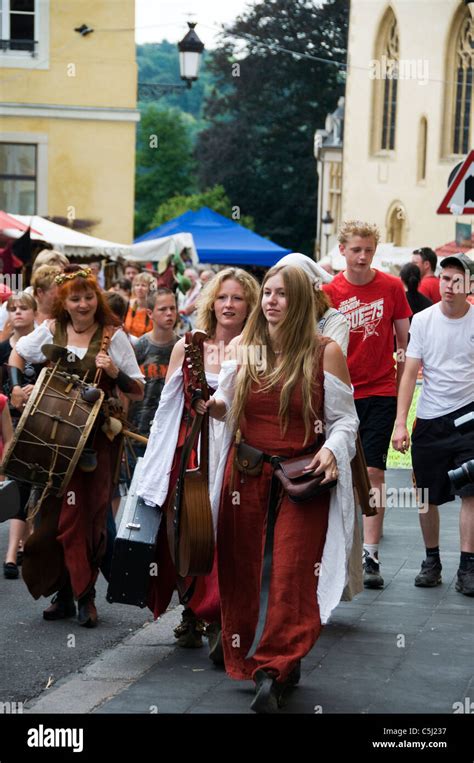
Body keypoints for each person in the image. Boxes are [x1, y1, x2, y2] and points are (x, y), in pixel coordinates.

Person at [195, 265, 358, 713]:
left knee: (290, 573)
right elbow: (228, 404)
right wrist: (213, 407)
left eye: (282, 294)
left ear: (302, 300)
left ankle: (277, 666)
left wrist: (333, 449)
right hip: (245, 475)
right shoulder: (246, 348)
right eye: (266, 292)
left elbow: (346, 419)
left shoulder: (324, 352)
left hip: (302, 479)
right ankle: (245, 648)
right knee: (241, 569)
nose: (270, 301)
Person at [8, 265, 144, 627]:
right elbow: (17, 354)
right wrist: (17, 388)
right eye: (75, 298)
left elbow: (138, 389)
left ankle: (85, 597)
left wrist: (115, 372)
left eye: (87, 297)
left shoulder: (112, 336)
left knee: (89, 518)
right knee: (56, 518)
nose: (82, 304)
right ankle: (66, 594)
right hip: (56, 442)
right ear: (63, 302)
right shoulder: (51, 330)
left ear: (95, 298)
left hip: (97, 443)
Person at [137, 268, 259, 653]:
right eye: (222, 297)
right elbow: (167, 410)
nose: (229, 305)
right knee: (186, 532)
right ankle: (191, 609)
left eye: (238, 298)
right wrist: (156, 464)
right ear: (211, 302)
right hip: (190, 449)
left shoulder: (256, 349)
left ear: (249, 305)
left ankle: (219, 612)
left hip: (237, 451)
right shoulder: (187, 346)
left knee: (225, 531)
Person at [323, 221, 411, 589]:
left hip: (378, 392)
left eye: (369, 250)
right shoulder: (329, 292)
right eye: (356, 249)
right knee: (333, 473)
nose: (362, 256)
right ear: (342, 249)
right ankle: (332, 553)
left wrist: (401, 400)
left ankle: (371, 554)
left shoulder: (391, 287)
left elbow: (406, 344)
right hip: (339, 392)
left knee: (375, 473)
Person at [392, 253, 474, 596]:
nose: (449, 286)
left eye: (457, 280)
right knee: (426, 496)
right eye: (445, 278)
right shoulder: (423, 320)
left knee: (471, 494)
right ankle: (432, 561)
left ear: (469, 285)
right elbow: (410, 372)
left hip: (468, 418)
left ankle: (468, 566)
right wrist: (401, 423)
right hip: (429, 418)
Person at [0, 292, 40, 579]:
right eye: (12, 309)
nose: (17, 313)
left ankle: (30, 543)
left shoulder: (42, 346)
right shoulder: (3, 348)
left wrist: (34, 389)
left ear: (34, 312)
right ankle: (12, 552)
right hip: (9, 420)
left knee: (35, 485)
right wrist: (10, 392)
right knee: (17, 485)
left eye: (23, 308)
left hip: (38, 423)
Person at [127, 288, 179, 457]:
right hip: (137, 429)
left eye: (172, 308)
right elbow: (128, 389)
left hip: (169, 430)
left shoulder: (183, 347)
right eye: (163, 309)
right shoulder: (140, 346)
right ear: (150, 313)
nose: (169, 314)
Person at [276, 252, 349, 354]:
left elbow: (331, 361)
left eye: (283, 292)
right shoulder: (272, 316)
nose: (273, 299)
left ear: (309, 290)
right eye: (268, 292)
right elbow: (254, 365)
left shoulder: (333, 319)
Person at [124, 272, 156, 338]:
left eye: (143, 285)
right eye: (137, 285)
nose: (139, 288)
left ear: (150, 289)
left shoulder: (154, 309)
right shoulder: (128, 305)